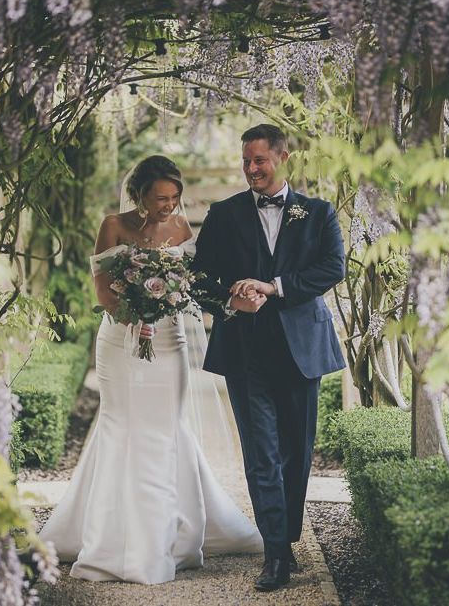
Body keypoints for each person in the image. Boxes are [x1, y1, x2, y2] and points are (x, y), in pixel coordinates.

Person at [39, 155, 263, 585]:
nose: (169, 205)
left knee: (166, 428)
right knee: (120, 426)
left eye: (175, 197)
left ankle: (172, 537)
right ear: (139, 196)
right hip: (120, 341)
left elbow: (194, 284)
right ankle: (110, 538)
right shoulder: (113, 225)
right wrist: (138, 307)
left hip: (168, 340)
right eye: (160, 198)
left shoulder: (180, 228)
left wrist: (169, 303)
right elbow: (103, 292)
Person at [192, 124, 346, 591]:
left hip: (301, 349)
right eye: (245, 161)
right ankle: (276, 553)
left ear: (283, 158)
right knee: (261, 455)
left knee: (296, 453)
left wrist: (274, 287)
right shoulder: (224, 214)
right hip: (245, 351)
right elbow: (199, 279)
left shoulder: (317, 213)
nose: (251, 169)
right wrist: (230, 299)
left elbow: (332, 267)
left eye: (259, 160)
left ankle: (287, 537)